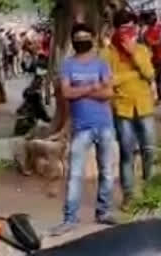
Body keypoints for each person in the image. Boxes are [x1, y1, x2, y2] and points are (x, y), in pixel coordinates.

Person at [50, 23, 116, 237]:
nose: (82, 40)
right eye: (78, 37)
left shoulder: (101, 64)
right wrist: (91, 88)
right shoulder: (67, 65)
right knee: (75, 174)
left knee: (106, 172)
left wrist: (81, 91)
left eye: (85, 36)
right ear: (73, 40)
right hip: (81, 127)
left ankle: (103, 212)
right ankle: (70, 219)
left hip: (104, 123)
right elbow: (66, 93)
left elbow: (108, 93)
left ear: (92, 38)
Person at [101, 11, 156, 206]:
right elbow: (108, 81)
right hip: (122, 109)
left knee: (149, 151)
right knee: (127, 153)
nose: (128, 32)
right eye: (124, 28)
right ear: (115, 29)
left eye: (131, 28)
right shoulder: (106, 54)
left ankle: (151, 192)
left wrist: (134, 55)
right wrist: (133, 75)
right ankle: (128, 195)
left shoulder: (141, 49)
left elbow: (150, 75)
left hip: (144, 107)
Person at [141, 12, 161, 102]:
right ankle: (159, 94)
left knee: (158, 76)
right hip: (153, 57)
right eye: (151, 18)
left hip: (159, 56)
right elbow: (149, 42)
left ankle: (160, 94)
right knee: (156, 76)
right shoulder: (147, 32)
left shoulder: (159, 28)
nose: (153, 19)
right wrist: (160, 41)